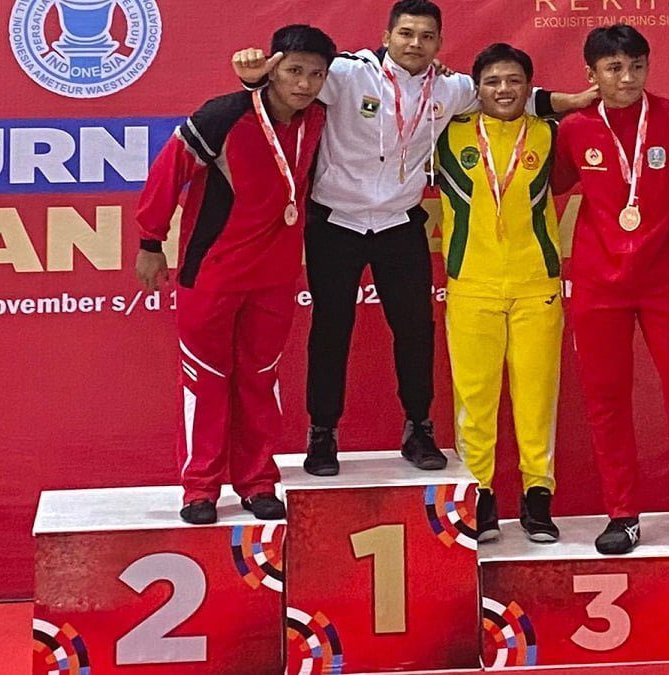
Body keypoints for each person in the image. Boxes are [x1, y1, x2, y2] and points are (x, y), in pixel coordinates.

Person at [232, 0, 597, 477]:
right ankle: (322, 434)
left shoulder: (451, 88)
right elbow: (290, 88)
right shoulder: (346, 74)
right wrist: (253, 78)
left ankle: (419, 429)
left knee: (415, 331)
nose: (415, 44)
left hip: (399, 224)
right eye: (406, 34)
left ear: (440, 43)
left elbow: (512, 97)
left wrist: (576, 101)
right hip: (336, 222)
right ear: (387, 37)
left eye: (427, 36)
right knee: (330, 332)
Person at [553, 24, 669, 553]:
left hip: (668, 284)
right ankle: (622, 515)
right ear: (591, 73)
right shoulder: (573, 129)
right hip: (597, 287)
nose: (627, 78)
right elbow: (546, 185)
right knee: (606, 403)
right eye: (613, 68)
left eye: (637, 66)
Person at [134, 25, 336, 524]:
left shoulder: (319, 118)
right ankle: (200, 488)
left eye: (315, 74)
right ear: (272, 67)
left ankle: (257, 481)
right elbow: (168, 172)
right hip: (212, 275)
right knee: (206, 382)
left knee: (260, 381)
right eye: (294, 70)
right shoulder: (223, 115)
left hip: (276, 278)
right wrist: (150, 241)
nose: (304, 84)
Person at [436, 44, 562, 543]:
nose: (503, 90)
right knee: (474, 399)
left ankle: (538, 497)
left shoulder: (551, 134)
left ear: (529, 87)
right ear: (476, 88)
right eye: (492, 81)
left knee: (537, 397)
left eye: (513, 80)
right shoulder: (447, 132)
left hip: (537, 286)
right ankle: (479, 498)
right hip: (471, 284)